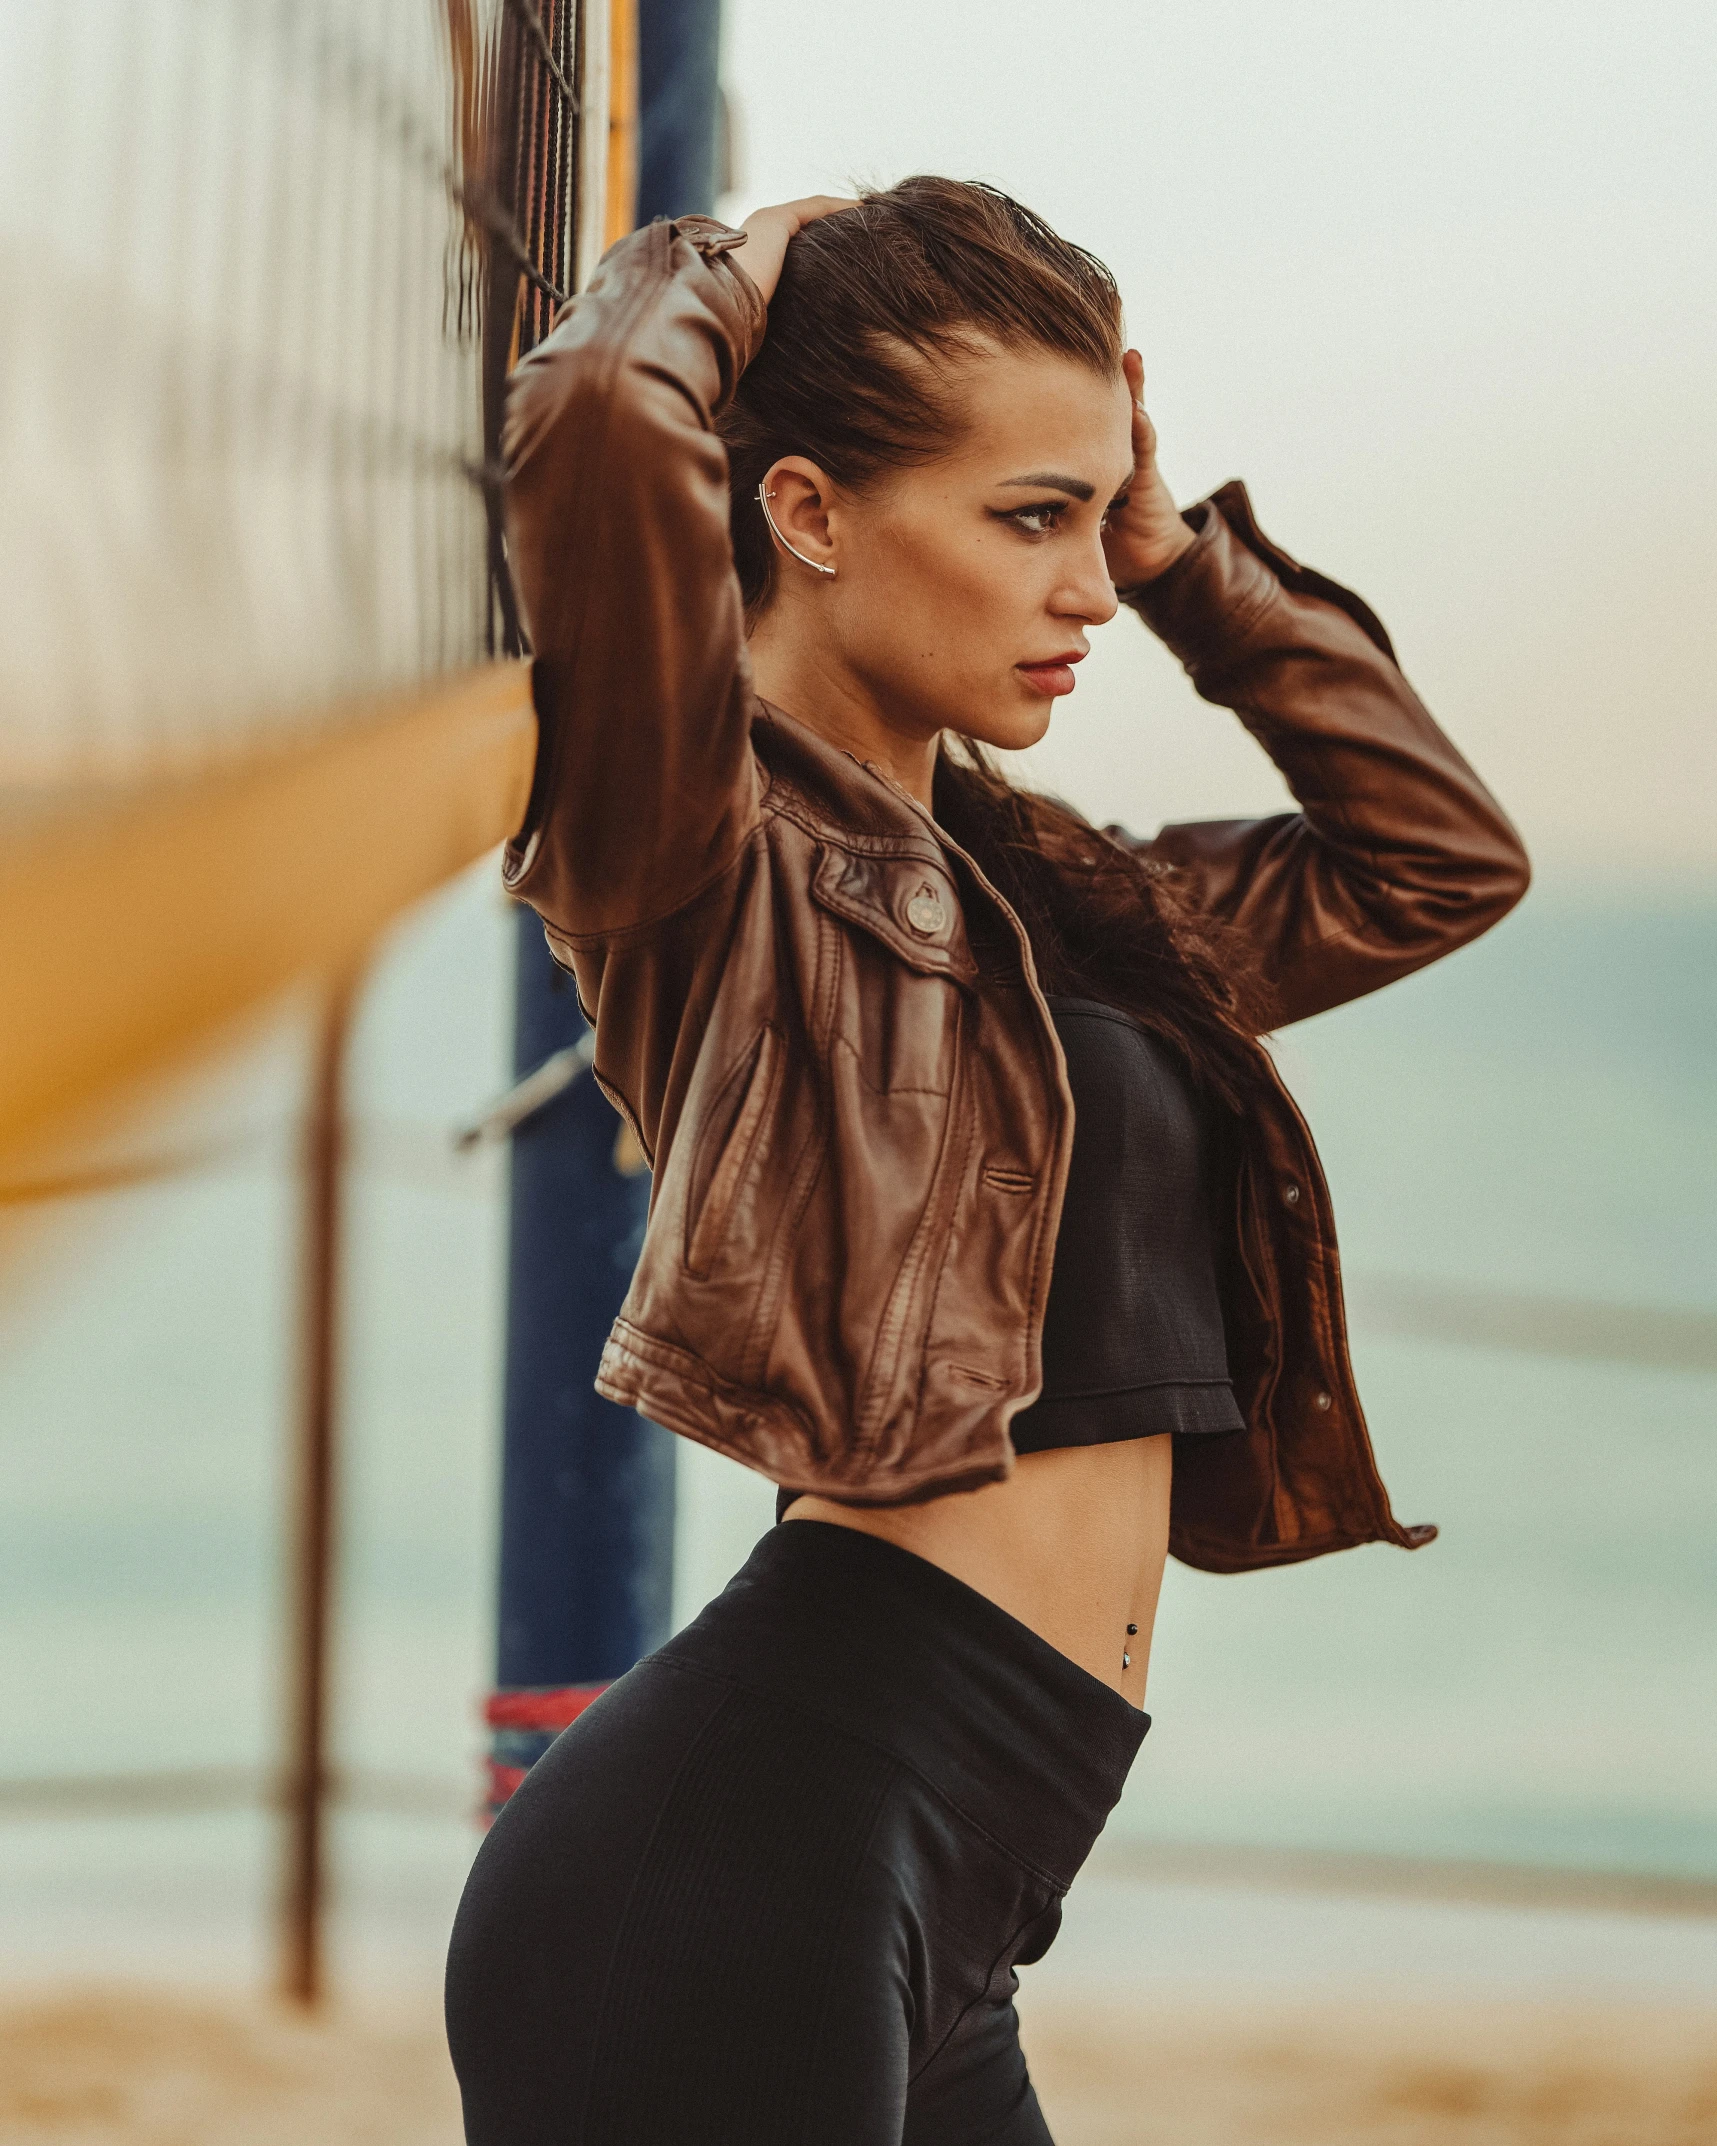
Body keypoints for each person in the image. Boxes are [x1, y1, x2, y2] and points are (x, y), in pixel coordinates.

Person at [445, 178, 1528, 2145]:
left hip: (945, 1903)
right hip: (751, 1859)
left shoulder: (1077, 900)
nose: (1089, 589)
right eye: (1029, 521)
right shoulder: (702, 854)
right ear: (810, 512)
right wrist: (738, 253)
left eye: (1091, 519)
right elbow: (600, 425)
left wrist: (1188, 555)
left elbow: (1437, 861)